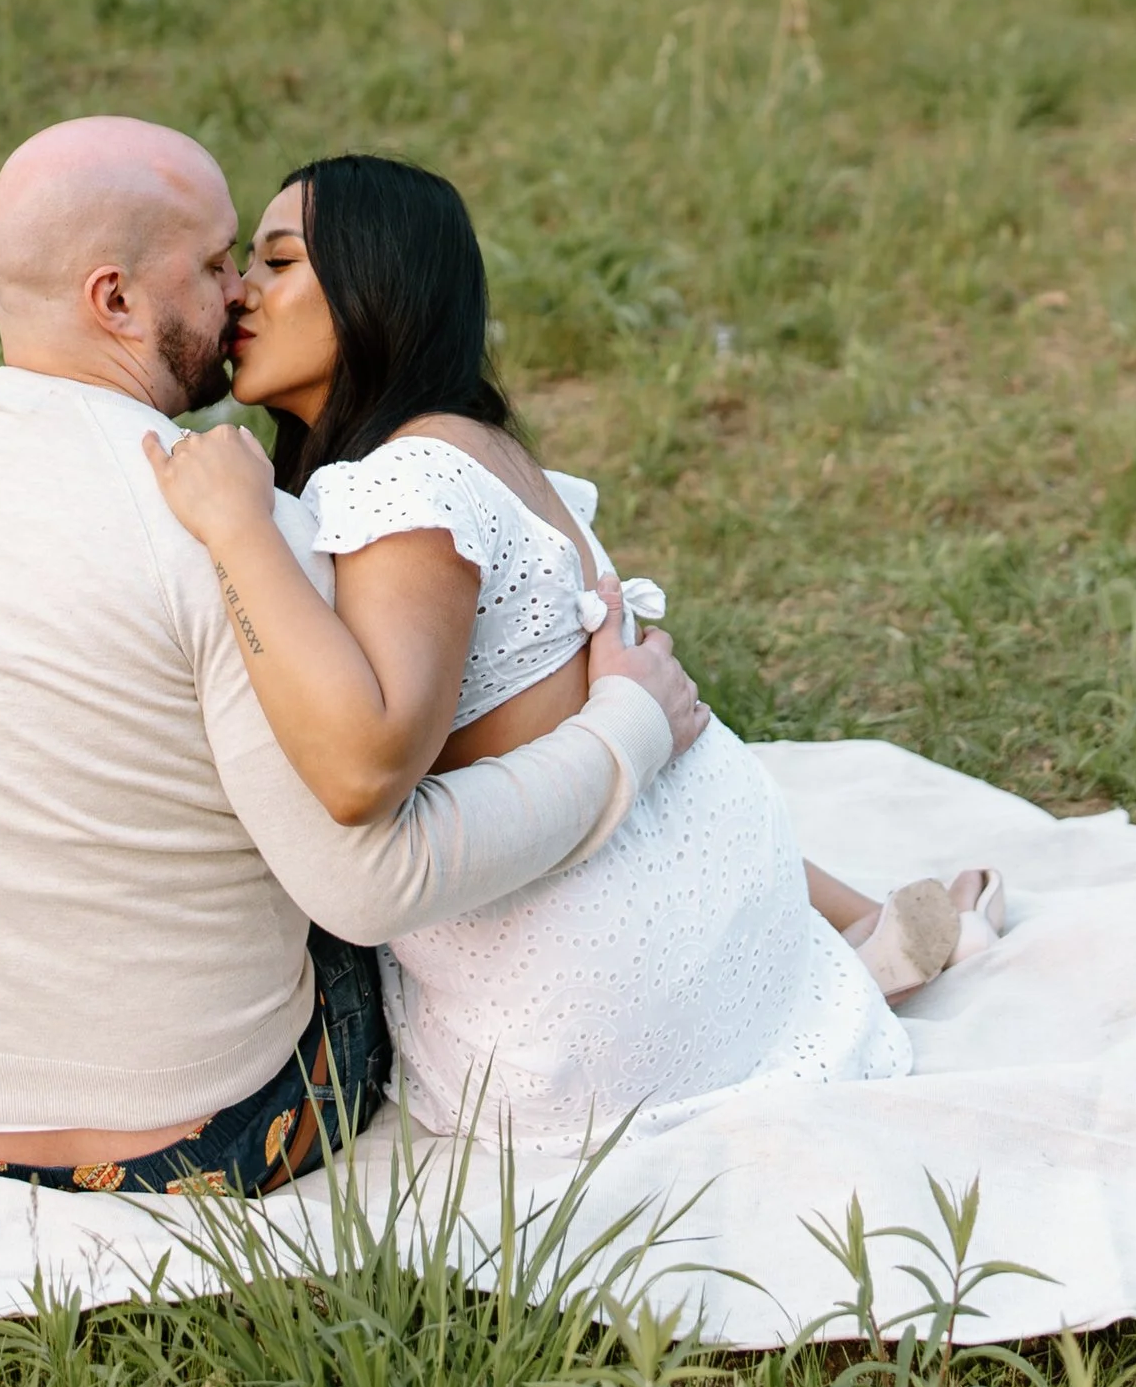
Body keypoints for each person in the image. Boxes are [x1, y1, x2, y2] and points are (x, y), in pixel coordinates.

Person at [0, 115, 705, 1200]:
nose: (237, 288)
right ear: (116, 301)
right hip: (198, 1139)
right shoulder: (213, 517)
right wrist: (630, 731)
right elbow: (377, 890)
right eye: (211, 263)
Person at [149, 152, 1000, 1155]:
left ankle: (858, 940)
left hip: (585, 1042)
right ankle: (859, 938)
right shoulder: (475, 446)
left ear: (373, 287)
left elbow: (364, 767)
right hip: (704, 948)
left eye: (277, 263)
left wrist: (239, 531)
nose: (242, 292)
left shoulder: (402, 483)